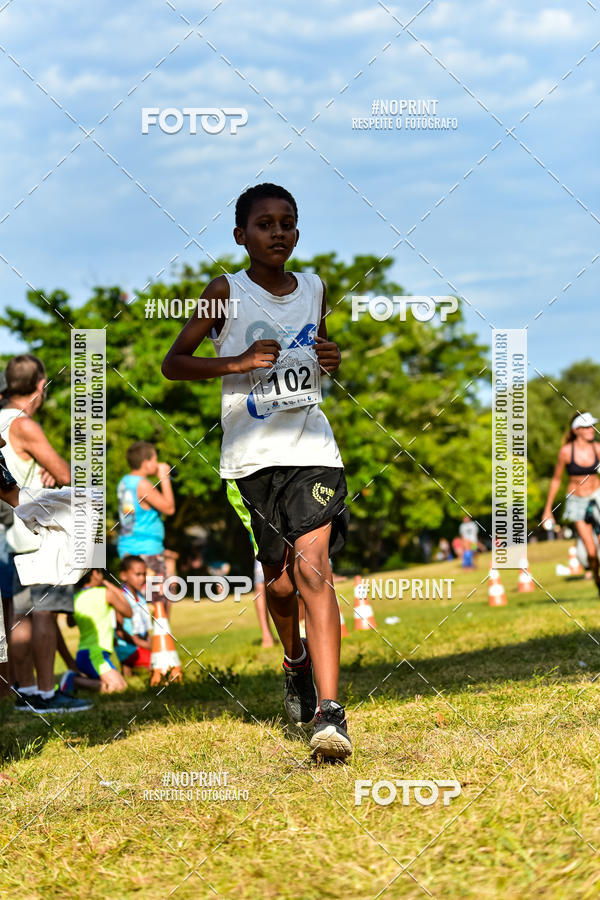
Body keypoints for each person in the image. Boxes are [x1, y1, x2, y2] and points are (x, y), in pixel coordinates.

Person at [162, 183, 351, 759]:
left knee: (314, 568)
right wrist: (238, 362)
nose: (278, 232)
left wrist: (329, 357)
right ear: (241, 235)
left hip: (312, 446)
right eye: (264, 224)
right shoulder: (225, 291)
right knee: (282, 580)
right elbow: (174, 362)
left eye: (287, 222)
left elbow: (316, 354)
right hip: (251, 458)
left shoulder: (316, 288)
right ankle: (293, 658)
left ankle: (330, 713)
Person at [0, 354, 89, 714]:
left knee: (17, 615)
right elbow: (65, 473)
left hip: (9, 532)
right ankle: (48, 695)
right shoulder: (23, 424)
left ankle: (27, 691)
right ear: (40, 386)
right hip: (36, 530)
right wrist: (55, 473)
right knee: (44, 613)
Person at [543, 412, 600, 594]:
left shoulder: (598, 448)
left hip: (597, 494)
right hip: (576, 501)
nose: (591, 430)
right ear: (577, 430)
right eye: (587, 427)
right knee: (591, 552)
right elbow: (556, 480)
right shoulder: (566, 452)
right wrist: (547, 510)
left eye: (592, 426)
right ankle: (597, 581)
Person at [117, 441, 175, 610]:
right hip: (147, 551)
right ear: (146, 463)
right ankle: (158, 636)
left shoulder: (125, 482)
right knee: (158, 604)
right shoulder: (142, 484)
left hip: (128, 548)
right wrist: (164, 478)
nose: (157, 464)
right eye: (155, 460)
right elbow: (169, 508)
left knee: (137, 604)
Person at [68, 568, 131, 693]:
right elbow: (128, 612)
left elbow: (70, 623)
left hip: (84, 653)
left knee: (120, 684)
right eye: (100, 572)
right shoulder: (106, 593)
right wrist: (109, 585)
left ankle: (83, 679)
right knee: (119, 688)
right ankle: (74, 680)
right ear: (95, 573)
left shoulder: (75, 598)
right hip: (95, 655)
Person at [114, 555, 152, 676]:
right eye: (137, 574)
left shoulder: (140, 597)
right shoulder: (121, 598)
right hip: (128, 647)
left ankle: (129, 670)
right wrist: (145, 645)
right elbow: (119, 632)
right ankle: (128, 666)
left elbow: (146, 628)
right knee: (160, 663)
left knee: (164, 656)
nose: (142, 578)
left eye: (144, 574)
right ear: (124, 575)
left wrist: (152, 643)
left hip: (140, 643)